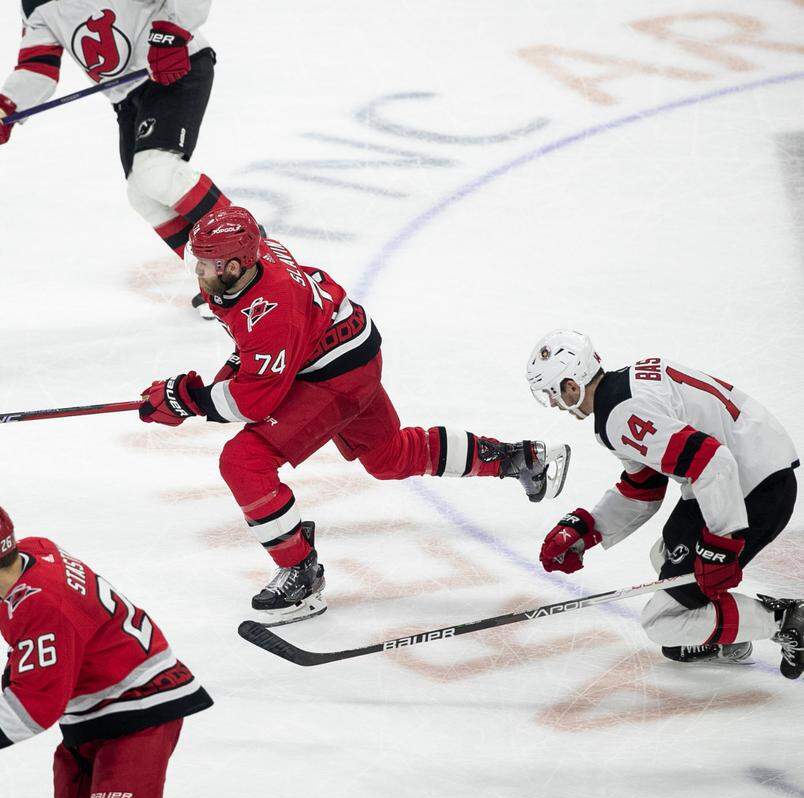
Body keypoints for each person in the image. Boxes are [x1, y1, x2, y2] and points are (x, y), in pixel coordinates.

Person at [137, 206, 570, 625]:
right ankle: (517, 457)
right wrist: (198, 393)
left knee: (244, 461)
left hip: (333, 376)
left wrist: (188, 400)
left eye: (206, 264)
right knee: (389, 457)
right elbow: (255, 356)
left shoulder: (273, 310)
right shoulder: (254, 264)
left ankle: (300, 574)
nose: (198, 271)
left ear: (234, 266)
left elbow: (255, 401)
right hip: (346, 351)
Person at [0, 498, 212, 798]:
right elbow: (51, 639)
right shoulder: (35, 551)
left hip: (141, 706)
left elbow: (34, 709)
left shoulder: (41, 603)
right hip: (95, 711)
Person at [527, 329, 802, 678]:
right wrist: (587, 529)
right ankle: (728, 632)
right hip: (750, 467)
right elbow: (644, 487)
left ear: (571, 385)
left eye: (553, 393)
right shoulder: (623, 389)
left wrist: (722, 545)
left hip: (755, 487)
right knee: (665, 554)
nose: (553, 403)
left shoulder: (621, 415)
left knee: (663, 623)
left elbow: (712, 462)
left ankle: (788, 622)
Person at [0, 1, 228, 317]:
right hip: (127, 97)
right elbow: (38, 65)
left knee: (157, 172)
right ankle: (223, 280)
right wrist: (4, 108)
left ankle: (260, 260)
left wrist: (173, 31)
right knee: (142, 193)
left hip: (176, 67)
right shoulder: (35, 5)